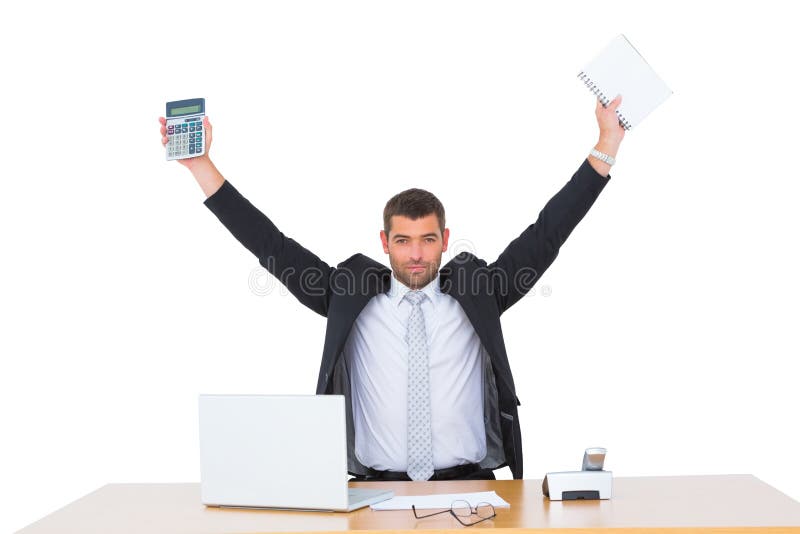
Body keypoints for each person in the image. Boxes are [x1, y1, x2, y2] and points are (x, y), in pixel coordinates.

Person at [158, 95, 625, 481]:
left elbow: (548, 233)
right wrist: (201, 166)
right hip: (373, 492)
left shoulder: (480, 290)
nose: (416, 254)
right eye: (403, 241)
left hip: (469, 489)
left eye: (427, 240)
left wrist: (605, 144)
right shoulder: (347, 293)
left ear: (445, 240)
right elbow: (268, 244)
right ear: (385, 243)